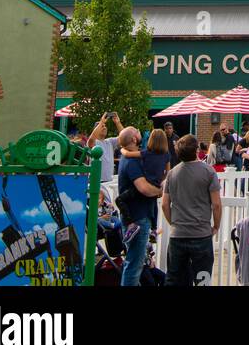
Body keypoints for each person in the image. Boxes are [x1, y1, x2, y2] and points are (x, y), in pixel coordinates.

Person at [162, 134, 222, 287]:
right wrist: (216, 226)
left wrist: (173, 223)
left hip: (178, 235)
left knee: (174, 279)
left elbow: (164, 204)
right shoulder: (208, 172)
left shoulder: (172, 173)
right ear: (196, 150)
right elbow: (216, 204)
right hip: (201, 233)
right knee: (202, 279)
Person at [116, 127, 165, 286]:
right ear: (134, 140)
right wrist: (159, 191)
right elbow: (143, 187)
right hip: (138, 217)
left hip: (137, 216)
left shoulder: (128, 156)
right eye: (137, 131)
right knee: (135, 264)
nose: (140, 132)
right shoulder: (131, 162)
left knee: (135, 262)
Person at [87, 111, 123, 186]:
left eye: (105, 126)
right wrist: (101, 122)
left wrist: (117, 122)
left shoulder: (110, 141)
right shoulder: (93, 142)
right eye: (102, 126)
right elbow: (91, 140)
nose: (105, 127)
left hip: (108, 182)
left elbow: (124, 137)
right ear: (96, 129)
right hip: (96, 182)